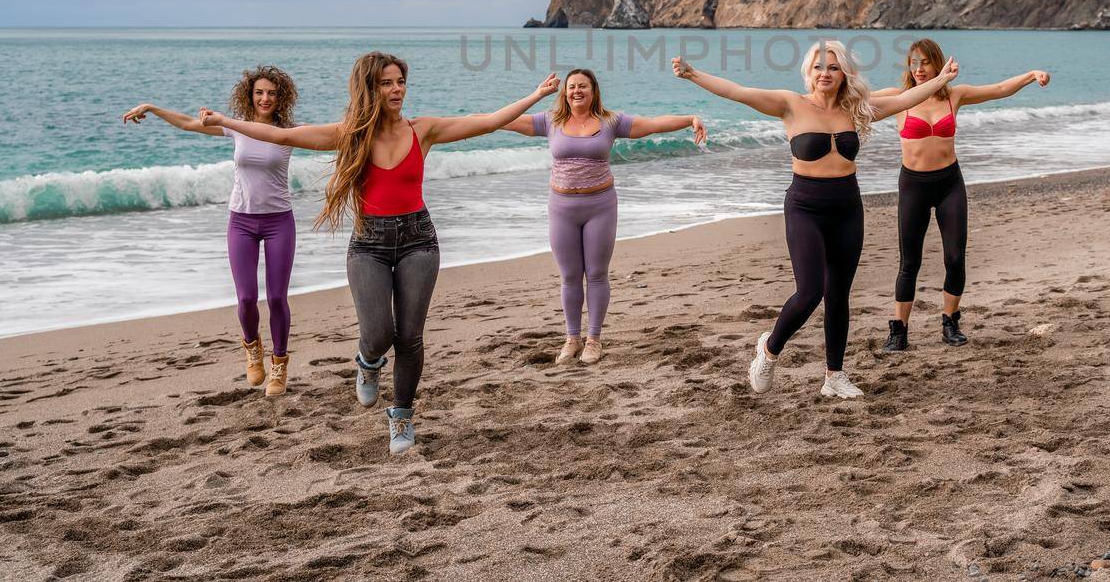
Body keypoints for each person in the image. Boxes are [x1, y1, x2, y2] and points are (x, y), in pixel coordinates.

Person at [201, 53, 558, 455]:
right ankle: (368, 362)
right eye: (387, 83)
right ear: (370, 88)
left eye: (400, 81)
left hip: (418, 239)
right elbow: (282, 137)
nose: (397, 89)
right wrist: (226, 122)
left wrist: (536, 94)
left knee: (409, 337)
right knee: (378, 334)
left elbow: (489, 121)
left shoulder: (424, 129)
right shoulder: (351, 133)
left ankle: (402, 416)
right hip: (368, 244)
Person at [671, 41, 958, 399]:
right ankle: (769, 349)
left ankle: (834, 375)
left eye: (834, 68)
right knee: (809, 291)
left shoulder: (856, 109)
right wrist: (694, 74)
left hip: (847, 206)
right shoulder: (790, 105)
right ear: (809, 72)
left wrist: (942, 78)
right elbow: (738, 92)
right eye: (819, 67)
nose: (826, 73)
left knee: (839, 295)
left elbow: (907, 99)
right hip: (805, 207)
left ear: (844, 74)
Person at [500, 68, 705, 364]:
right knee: (570, 276)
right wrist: (531, 97)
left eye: (583, 86)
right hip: (561, 209)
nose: (576, 91)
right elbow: (504, 120)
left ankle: (593, 339)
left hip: (600, 207)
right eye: (571, 87)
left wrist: (689, 119)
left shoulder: (611, 122)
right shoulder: (550, 121)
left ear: (594, 90)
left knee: (596, 274)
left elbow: (652, 125)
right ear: (564, 92)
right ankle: (572, 339)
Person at [123, 65, 300, 395]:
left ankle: (279, 364)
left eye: (272, 94)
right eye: (259, 92)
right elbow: (190, 124)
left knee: (277, 297)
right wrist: (151, 108)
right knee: (247, 298)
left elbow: (330, 137)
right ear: (250, 95)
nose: (265, 98)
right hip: (242, 221)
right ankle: (252, 347)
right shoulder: (236, 128)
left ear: (281, 98)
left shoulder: (288, 131)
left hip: (279, 222)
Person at [873, 39, 1050, 351]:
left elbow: (998, 90)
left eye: (925, 62)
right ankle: (898, 331)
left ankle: (950, 321)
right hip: (912, 186)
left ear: (937, 63)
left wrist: (1030, 75)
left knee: (955, 258)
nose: (918, 69)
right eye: (913, 63)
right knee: (909, 262)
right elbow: (854, 99)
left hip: (949, 184)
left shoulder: (954, 95)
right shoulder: (898, 97)